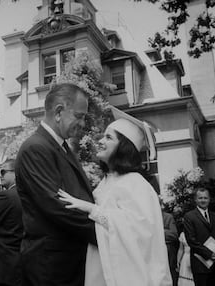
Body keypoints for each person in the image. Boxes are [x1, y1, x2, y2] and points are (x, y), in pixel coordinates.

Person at [58, 106, 172, 286]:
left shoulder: (136, 183)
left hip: (127, 274)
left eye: (108, 137)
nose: (100, 141)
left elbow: (140, 231)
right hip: (99, 266)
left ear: (124, 147)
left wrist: (93, 209)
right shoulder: (104, 183)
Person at [15, 83, 96, 286]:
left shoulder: (60, 147)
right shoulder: (35, 148)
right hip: (51, 269)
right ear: (59, 112)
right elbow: (59, 207)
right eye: (79, 115)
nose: (83, 123)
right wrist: (106, 231)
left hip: (66, 263)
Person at [183, 188, 215, 286]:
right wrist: (210, 254)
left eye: (205, 198)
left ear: (209, 199)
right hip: (201, 265)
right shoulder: (189, 217)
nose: (203, 200)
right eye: (200, 198)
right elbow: (191, 241)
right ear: (195, 199)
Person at [162, 210, 179, 286]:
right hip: (152, 252)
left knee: (170, 273)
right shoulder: (146, 217)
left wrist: (159, 231)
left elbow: (174, 235)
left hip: (168, 251)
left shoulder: (168, 217)